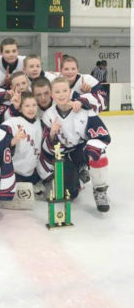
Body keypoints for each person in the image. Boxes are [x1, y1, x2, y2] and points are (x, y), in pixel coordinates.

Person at [41, 77, 111, 211]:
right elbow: (47, 148)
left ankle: (100, 189)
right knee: (70, 194)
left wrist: (91, 151)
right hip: (64, 154)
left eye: (64, 91)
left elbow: (102, 135)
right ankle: (78, 176)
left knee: (99, 153)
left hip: (82, 148)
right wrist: (52, 134)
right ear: (51, 94)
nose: (61, 94)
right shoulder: (48, 115)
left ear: (70, 92)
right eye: (57, 92)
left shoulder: (84, 110)